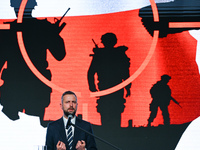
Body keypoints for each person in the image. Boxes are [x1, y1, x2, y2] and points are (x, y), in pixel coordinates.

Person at [0, 0, 66, 127]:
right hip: (34, 85)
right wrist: (54, 34)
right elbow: (60, 55)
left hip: (17, 84)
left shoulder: (7, 29)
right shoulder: (44, 28)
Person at [88, 33, 131, 127]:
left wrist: (92, 86)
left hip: (106, 86)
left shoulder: (100, 55)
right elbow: (126, 73)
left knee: (108, 109)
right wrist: (128, 87)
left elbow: (91, 72)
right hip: (115, 86)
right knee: (113, 109)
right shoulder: (119, 54)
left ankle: (109, 131)